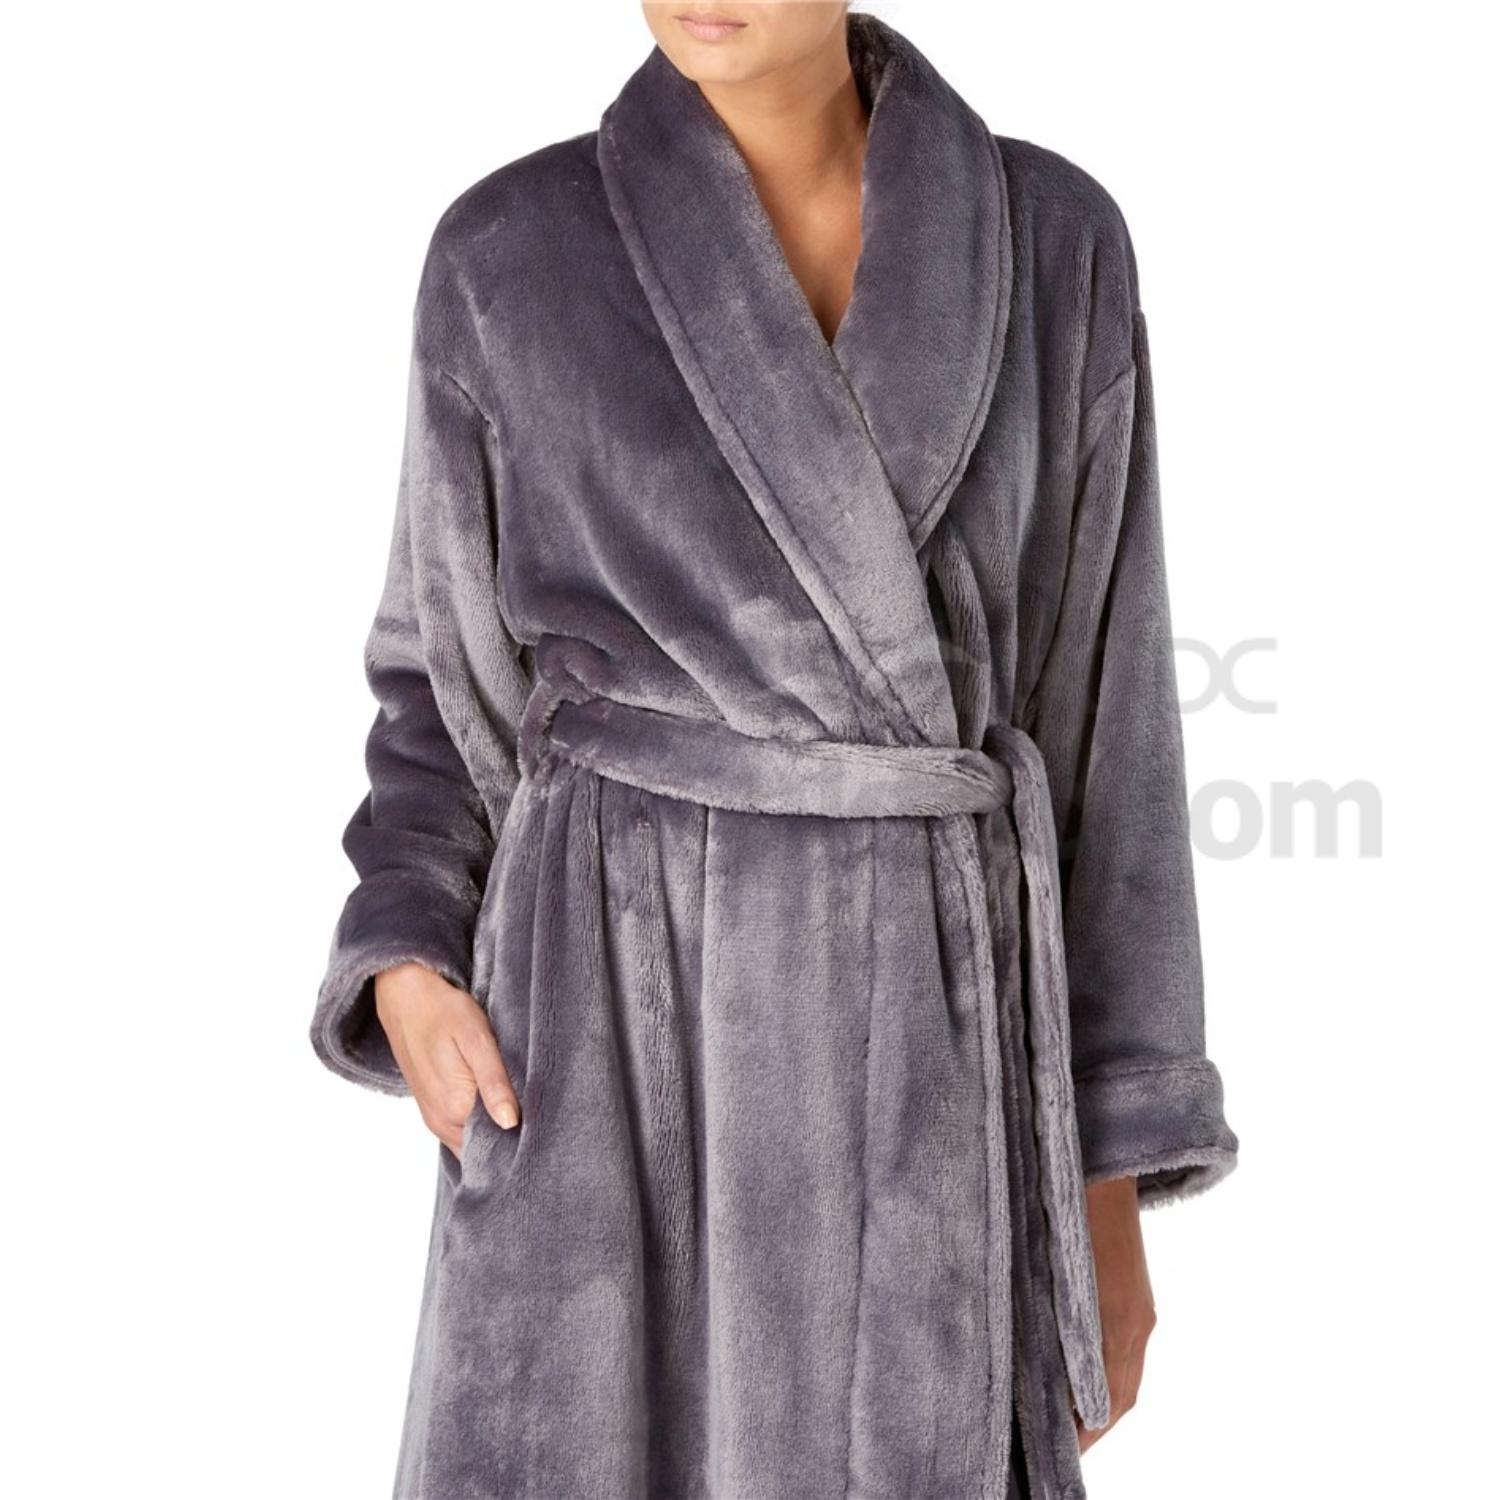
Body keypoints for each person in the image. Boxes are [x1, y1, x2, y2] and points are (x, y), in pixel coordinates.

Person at [310, 6, 1238, 1497]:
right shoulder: (505, 258)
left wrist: (1107, 1187)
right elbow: (437, 683)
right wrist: (409, 961)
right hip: (606, 1067)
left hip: (932, 1080)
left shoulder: (1054, 246)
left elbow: (1105, 739)